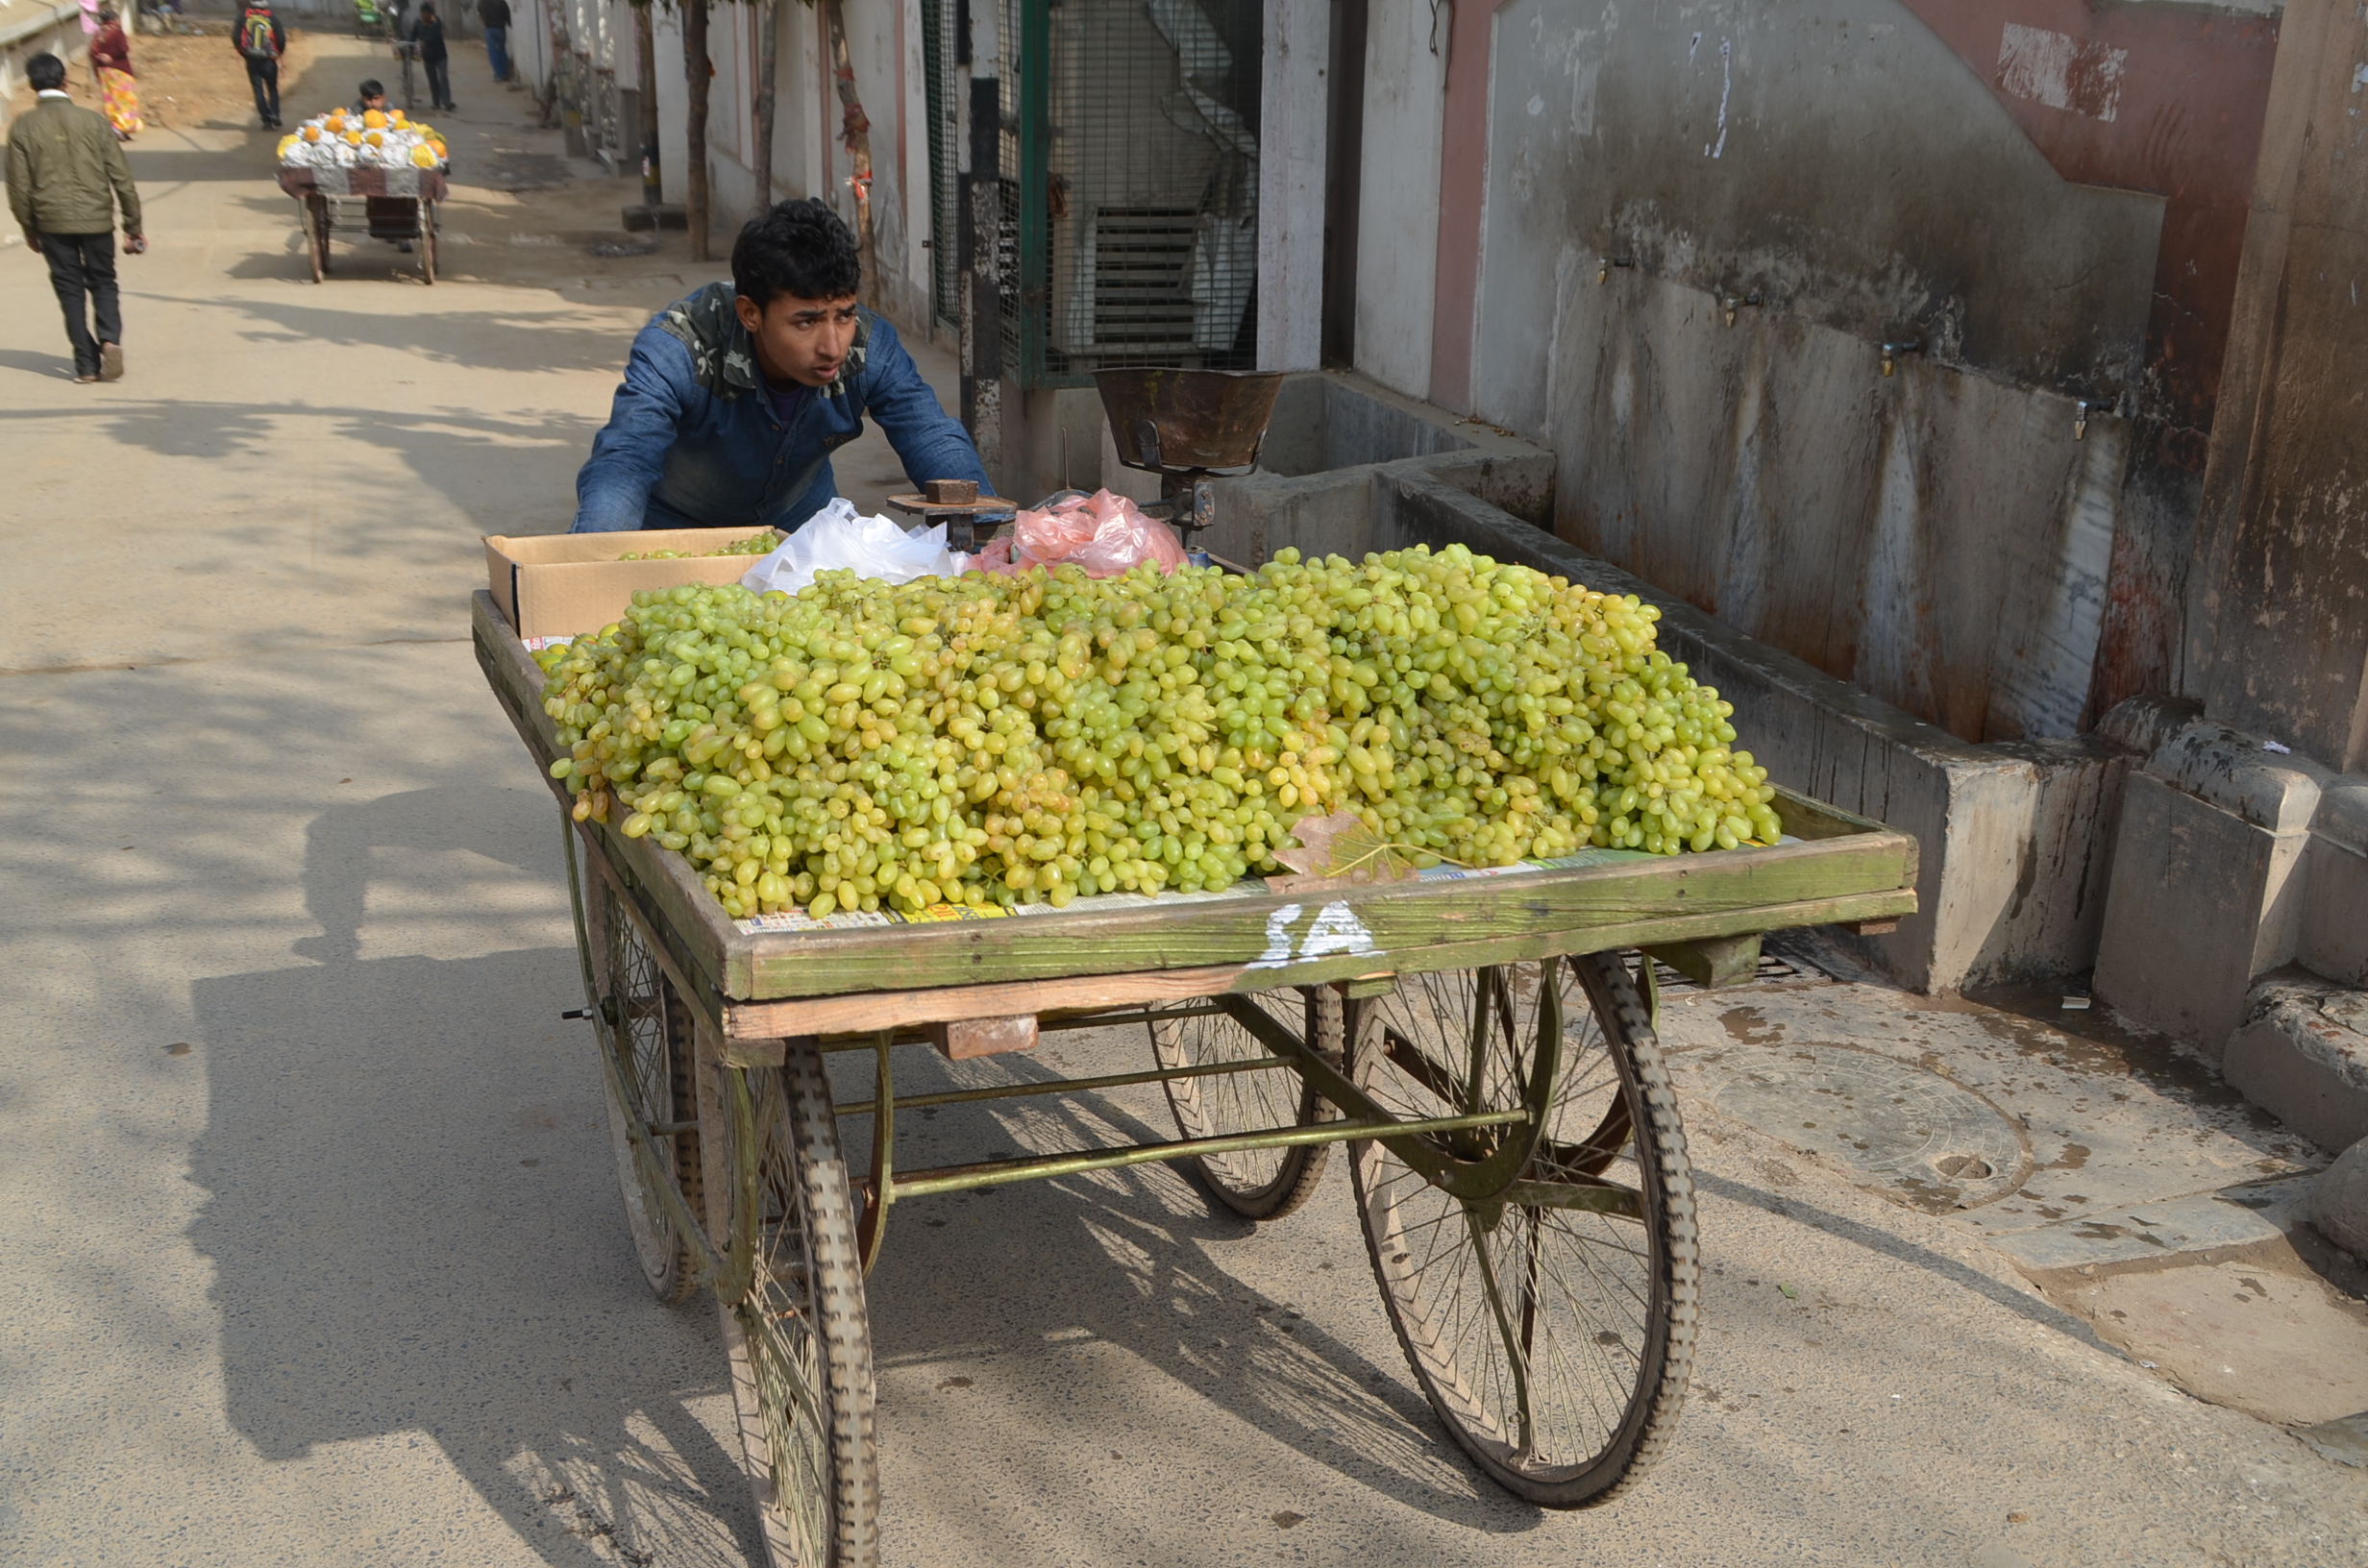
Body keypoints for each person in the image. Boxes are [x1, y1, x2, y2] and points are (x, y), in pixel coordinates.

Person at [574, 199, 991, 534]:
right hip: (677, 531)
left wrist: (994, 533)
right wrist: (590, 563)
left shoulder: (870, 344)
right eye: (807, 322)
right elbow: (625, 461)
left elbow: (930, 436)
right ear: (750, 313)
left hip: (804, 527)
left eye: (844, 314)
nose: (833, 347)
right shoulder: (680, 347)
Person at [8, 52, 146, 383]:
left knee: (69, 290)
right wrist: (133, 226)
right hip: (96, 219)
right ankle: (109, 339)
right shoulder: (94, 122)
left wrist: (29, 229)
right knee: (103, 280)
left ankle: (85, 365)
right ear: (65, 80)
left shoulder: (22, 127)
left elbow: (18, 188)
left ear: (31, 85)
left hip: (51, 223)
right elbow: (121, 177)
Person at [355, 80, 415, 254]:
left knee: (399, 194)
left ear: (383, 98)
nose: (373, 104)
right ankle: (385, 227)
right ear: (362, 99)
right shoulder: (356, 111)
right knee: (376, 192)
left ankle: (403, 236)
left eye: (376, 99)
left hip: (392, 156)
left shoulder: (392, 110)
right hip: (370, 158)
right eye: (369, 100)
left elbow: (401, 132)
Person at [88, 10, 141, 141]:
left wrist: (99, 66)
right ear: (114, 19)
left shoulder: (99, 34)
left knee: (111, 101)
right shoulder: (117, 32)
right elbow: (124, 49)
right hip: (120, 71)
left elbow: (92, 53)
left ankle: (115, 126)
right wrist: (112, 57)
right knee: (125, 101)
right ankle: (121, 127)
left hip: (104, 73)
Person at [234, 0, 285, 130]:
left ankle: (266, 121)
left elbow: (236, 38)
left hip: (251, 59)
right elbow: (281, 39)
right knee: (272, 88)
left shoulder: (243, 17)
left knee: (258, 89)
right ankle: (274, 114)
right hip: (269, 60)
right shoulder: (272, 18)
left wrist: (245, 54)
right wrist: (276, 54)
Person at [415, 3, 453, 112]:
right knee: (432, 80)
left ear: (431, 14)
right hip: (428, 56)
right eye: (423, 14)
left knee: (443, 77)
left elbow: (434, 37)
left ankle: (446, 102)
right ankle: (436, 102)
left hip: (440, 55)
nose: (425, 16)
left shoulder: (437, 23)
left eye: (427, 14)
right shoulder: (417, 23)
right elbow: (413, 35)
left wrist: (423, 40)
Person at [477, 0, 510, 83]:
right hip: (500, 29)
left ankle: (498, 75)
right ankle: (505, 74)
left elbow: (479, 11)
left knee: (493, 52)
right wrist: (509, 24)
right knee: (502, 50)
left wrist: (484, 19)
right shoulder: (502, 2)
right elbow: (507, 15)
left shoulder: (483, 2)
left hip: (489, 29)